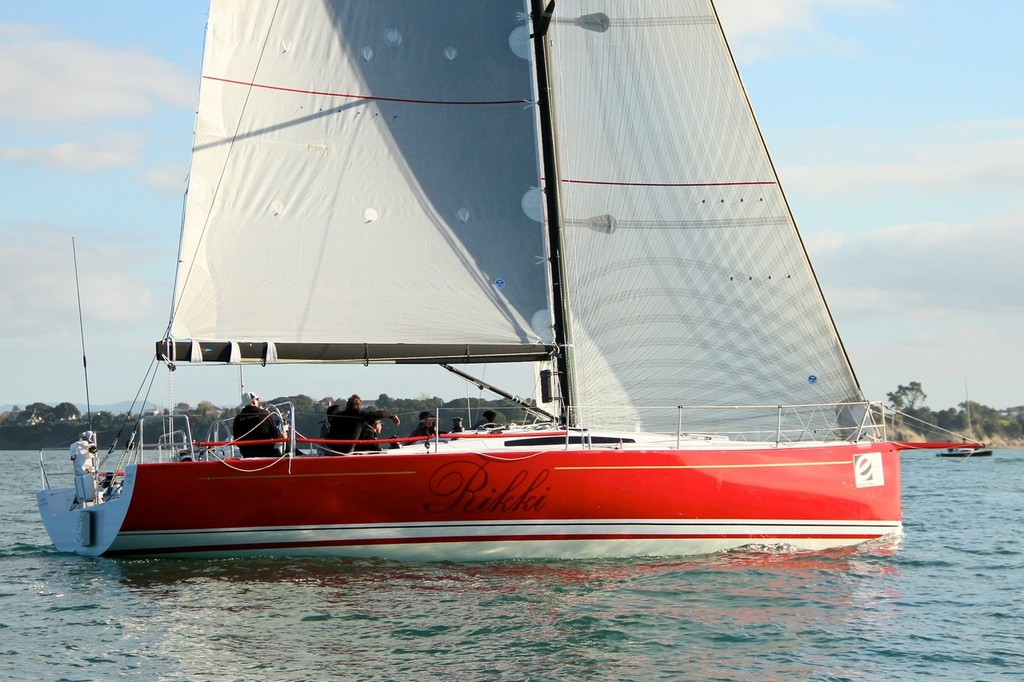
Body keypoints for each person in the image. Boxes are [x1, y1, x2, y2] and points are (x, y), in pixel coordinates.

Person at [325, 394, 400, 454]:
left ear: (347, 405)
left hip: (327, 447)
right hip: (342, 452)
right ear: (359, 405)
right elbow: (379, 414)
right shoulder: (361, 416)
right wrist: (392, 416)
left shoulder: (337, 416)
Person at [232, 392, 284, 458]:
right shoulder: (265, 414)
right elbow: (276, 435)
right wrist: (283, 436)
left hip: (247, 456)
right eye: (257, 400)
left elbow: (236, 440)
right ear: (253, 402)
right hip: (267, 454)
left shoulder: (238, 418)